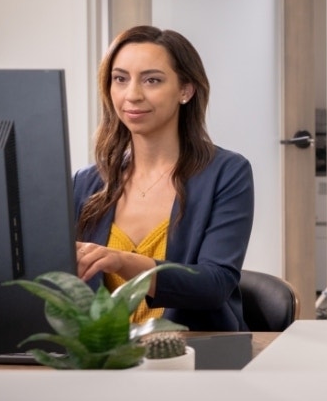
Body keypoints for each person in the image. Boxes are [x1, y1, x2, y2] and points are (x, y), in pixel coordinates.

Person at [73, 25, 254, 331]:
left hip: (191, 357)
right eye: (120, 79)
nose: (132, 95)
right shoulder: (86, 181)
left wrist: (120, 261)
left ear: (186, 90)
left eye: (152, 80)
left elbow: (214, 285)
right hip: (102, 359)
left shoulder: (227, 173)